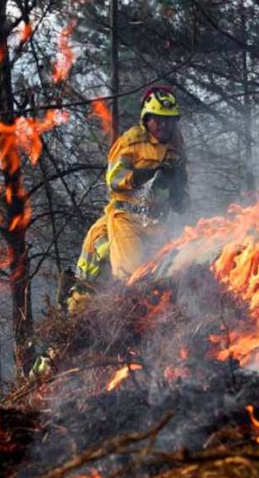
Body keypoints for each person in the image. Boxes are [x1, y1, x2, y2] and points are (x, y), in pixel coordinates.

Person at [68, 86, 189, 310]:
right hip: (127, 218)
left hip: (158, 226)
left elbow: (182, 206)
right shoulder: (131, 142)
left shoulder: (176, 151)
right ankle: (87, 312)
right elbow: (113, 178)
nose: (163, 126)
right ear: (147, 118)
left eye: (168, 120)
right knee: (130, 275)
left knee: (160, 279)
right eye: (158, 120)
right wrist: (143, 175)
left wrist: (177, 186)